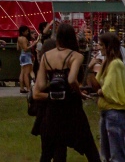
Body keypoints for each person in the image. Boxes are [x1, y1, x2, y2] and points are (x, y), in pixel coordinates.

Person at [33, 23, 100, 162]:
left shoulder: (46, 56)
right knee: (88, 145)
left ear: (57, 37)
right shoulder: (76, 56)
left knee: (57, 146)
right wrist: (79, 92)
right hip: (71, 106)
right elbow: (71, 79)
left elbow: (40, 85)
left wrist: (53, 85)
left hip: (54, 108)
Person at [91, 32, 125, 162]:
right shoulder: (106, 63)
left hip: (115, 112)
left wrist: (100, 91)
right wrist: (90, 67)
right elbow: (96, 84)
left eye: (101, 45)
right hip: (106, 112)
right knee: (105, 154)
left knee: (116, 154)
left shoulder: (116, 64)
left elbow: (107, 89)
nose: (99, 48)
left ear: (108, 46)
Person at [17, 26, 36, 94]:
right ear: (23, 32)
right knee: (26, 73)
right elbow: (25, 48)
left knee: (22, 73)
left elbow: (18, 48)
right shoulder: (24, 38)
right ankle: (28, 88)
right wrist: (33, 44)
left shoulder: (19, 38)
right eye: (27, 31)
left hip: (22, 55)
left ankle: (22, 88)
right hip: (26, 55)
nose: (28, 32)